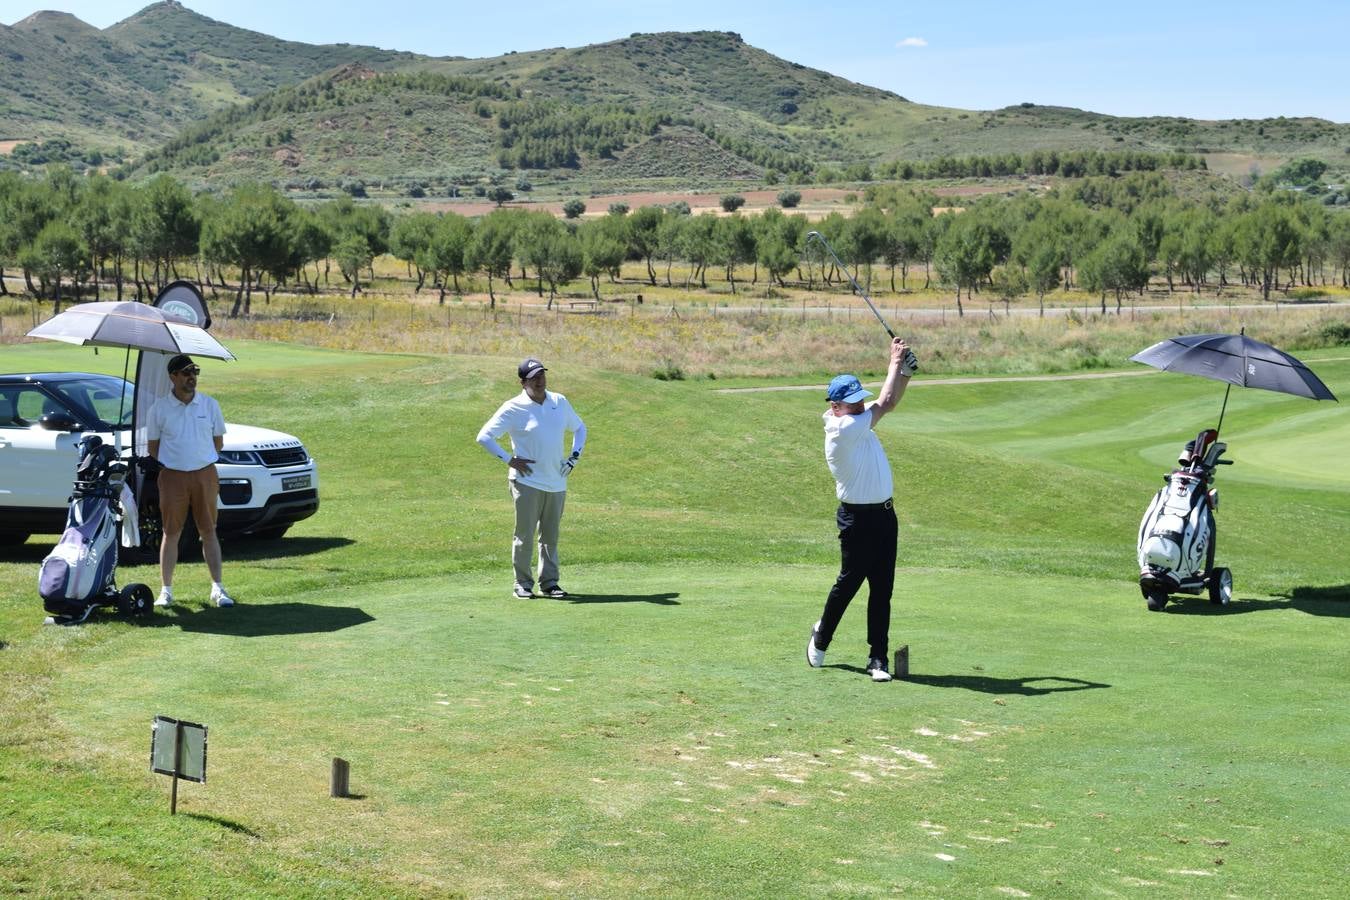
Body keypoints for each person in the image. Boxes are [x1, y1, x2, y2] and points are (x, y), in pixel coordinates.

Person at [807, 337, 917, 682]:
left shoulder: (856, 418)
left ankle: (877, 659)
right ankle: (821, 636)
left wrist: (906, 373)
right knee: (849, 583)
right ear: (836, 406)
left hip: (885, 516)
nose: (859, 407)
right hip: (857, 519)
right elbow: (884, 401)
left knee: (882, 588)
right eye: (852, 403)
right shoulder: (842, 429)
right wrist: (894, 363)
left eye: (860, 402)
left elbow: (889, 403)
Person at [477, 357, 587, 599]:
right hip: (526, 482)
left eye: (542, 375)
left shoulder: (559, 401)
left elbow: (580, 428)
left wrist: (573, 458)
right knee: (524, 535)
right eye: (533, 377)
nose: (540, 381)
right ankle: (522, 584)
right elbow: (484, 436)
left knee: (550, 536)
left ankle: (549, 584)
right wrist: (508, 459)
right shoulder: (513, 407)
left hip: (556, 482)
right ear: (522, 382)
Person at [146, 354, 234, 608]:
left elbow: (218, 442)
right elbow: (153, 447)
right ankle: (166, 591)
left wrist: (198, 461)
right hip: (173, 476)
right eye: (185, 372)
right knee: (171, 532)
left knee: (209, 530)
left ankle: (218, 588)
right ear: (173, 377)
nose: (191, 377)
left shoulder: (209, 405)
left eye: (194, 371)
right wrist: (178, 462)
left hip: (205, 474)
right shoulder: (159, 409)